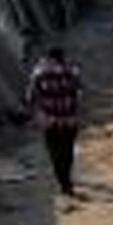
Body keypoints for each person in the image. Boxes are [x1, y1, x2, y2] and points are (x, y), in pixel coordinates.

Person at [26, 48, 82, 196]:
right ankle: (67, 181)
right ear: (63, 57)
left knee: (55, 153)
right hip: (70, 121)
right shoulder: (73, 71)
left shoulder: (39, 74)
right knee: (67, 152)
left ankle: (63, 182)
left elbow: (30, 97)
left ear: (48, 58)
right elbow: (79, 93)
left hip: (50, 122)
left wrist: (37, 113)